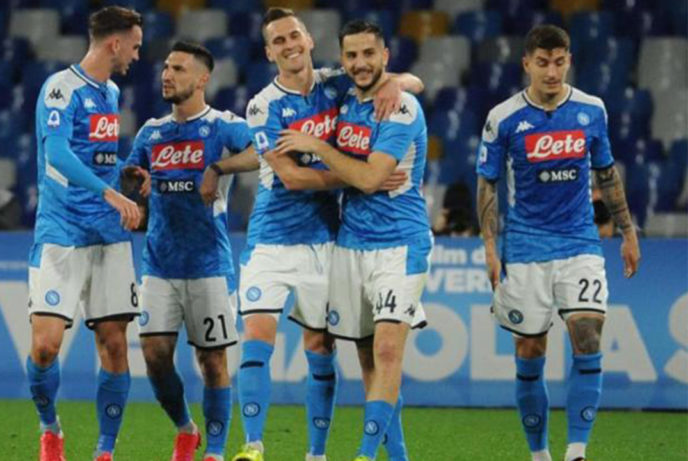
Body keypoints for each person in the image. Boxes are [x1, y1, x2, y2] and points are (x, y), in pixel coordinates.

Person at [231, 8, 423, 461]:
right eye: (278, 41)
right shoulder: (263, 106)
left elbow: (405, 81)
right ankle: (253, 446)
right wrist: (365, 177)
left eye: (294, 35)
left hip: (326, 238)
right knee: (257, 337)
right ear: (269, 52)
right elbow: (292, 178)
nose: (289, 45)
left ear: (309, 40)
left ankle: (316, 454)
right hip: (271, 237)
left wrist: (397, 84)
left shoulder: (336, 84)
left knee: (322, 346)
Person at [475, 25, 641, 461]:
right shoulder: (503, 118)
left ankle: (576, 451)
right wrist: (490, 247)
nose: (551, 71)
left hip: (579, 243)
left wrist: (628, 231)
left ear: (569, 61)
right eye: (543, 63)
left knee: (587, 337)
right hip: (525, 248)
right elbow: (488, 183)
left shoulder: (591, 109)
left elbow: (606, 173)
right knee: (530, 349)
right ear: (526, 64)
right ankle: (540, 455)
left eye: (559, 62)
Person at [124, 40, 259, 461]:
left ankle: (214, 452)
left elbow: (263, 151)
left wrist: (218, 167)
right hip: (159, 264)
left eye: (179, 69)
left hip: (209, 265)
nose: (167, 75)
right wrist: (135, 181)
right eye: (166, 67)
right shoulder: (151, 132)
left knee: (213, 361)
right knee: (154, 356)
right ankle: (186, 428)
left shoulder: (222, 125)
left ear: (202, 79)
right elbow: (129, 178)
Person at [26, 7, 143, 461]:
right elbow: (57, 154)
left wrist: (122, 172)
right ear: (115, 43)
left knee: (114, 344)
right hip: (62, 230)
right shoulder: (61, 88)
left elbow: (97, 158)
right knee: (44, 347)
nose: (136, 55)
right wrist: (109, 193)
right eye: (134, 46)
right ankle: (50, 429)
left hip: (108, 235)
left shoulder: (110, 93)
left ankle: (104, 450)